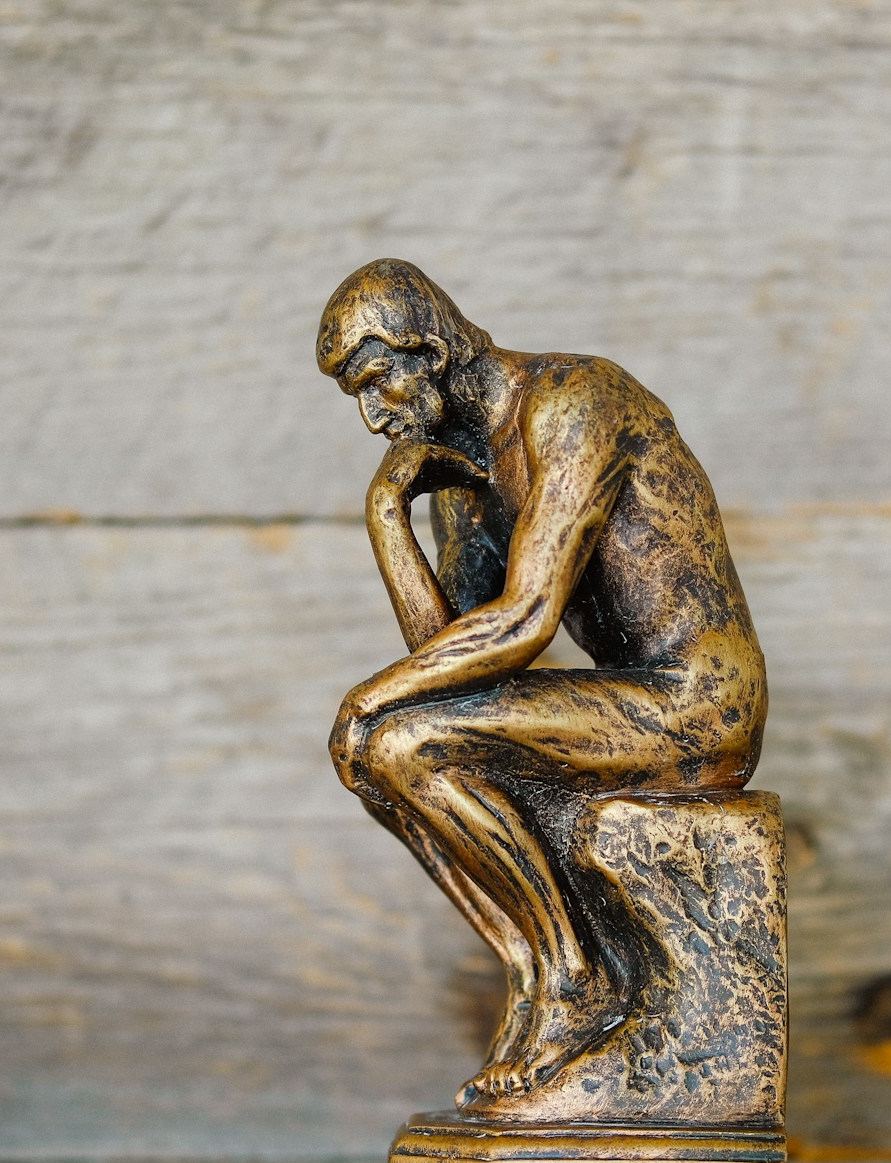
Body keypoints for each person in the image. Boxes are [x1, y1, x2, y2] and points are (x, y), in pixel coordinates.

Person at [319, 259, 767, 1106]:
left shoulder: (572, 402)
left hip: (696, 701)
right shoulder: (462, 472)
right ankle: (537, 972)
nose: (375, 415)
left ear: (433, 347)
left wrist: (366, 696)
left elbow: (523, 623)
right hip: (625, 700)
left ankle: (576, 979)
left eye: (379, 382)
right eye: (357, 398)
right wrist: (388, 520)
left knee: (394, 730)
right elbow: (448, 659)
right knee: (376, 754)